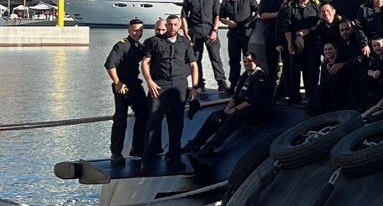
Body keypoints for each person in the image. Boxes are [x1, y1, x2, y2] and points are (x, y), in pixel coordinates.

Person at [143, 14, 198, 169]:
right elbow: (145, 63)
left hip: (179, 84)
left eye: (175, 24)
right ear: (165, 25)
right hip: (160, 84)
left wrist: (194, 87)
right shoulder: (154, 42)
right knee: (154, 122)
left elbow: (194, 65)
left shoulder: (185, 43)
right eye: (169, 24)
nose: (172, 27)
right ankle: (147, 159)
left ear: (179, 26)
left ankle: (174, 157)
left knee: (176, 123)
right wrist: (150, 82)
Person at [193, 53, 274, 157]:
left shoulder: (261, 77)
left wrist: (234, 110)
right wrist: (227, 109)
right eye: (245, 61)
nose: (247, 64)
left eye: (250, 61)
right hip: (244, 107)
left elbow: (253, 100)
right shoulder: (245, 76)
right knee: (216, 115)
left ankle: (212, 145)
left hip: (258, 110)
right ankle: (196, 143)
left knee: (235, 116)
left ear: (255, 61)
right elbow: (236, 97)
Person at [105, 18, 149, 164]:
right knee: (120, 119)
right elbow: (109, 64)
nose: (138, 33)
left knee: (144, 115)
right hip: (122, 86)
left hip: (135, 85)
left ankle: (137, 147)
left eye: (140, 30)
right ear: (129, 31)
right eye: (135, 30)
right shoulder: (121, 46)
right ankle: (116, 152)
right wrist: (117, 83)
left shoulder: (140, 47)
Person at [180, 0, 228, 94]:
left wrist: (215, 30)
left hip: (210, 30)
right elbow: (184, 16)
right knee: (196, 59)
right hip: (195, 31)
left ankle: (221, 83)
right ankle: (199, 83)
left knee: (215, 57)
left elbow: (217, 14)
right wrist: (186, 32)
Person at [278, 0, 321, 103]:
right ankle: (294, 96)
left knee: (312, 70)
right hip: (296, 44)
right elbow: (287, 27)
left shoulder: (316, 5)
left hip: (311, 43)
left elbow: (319, 24)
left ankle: (311, 96)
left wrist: (309, 30)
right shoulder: (291, 7)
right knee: (294, 71)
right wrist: (290, 44)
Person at [218, 0, 258, 75]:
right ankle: (234, 83)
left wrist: (252, 23)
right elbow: (221, 17)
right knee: (233, 60)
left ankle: (250, 80)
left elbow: (258, 10)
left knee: (249, 59)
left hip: (247, 34)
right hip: (233, 34)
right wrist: (228, 22)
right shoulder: (226, 1)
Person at [255, 0, 286, 88]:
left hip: (286, 33)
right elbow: (262, 15)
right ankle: (271, 88)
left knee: (287, 63)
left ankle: (284, 88)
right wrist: (278, 14)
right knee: (271, 63)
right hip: (271, 32)